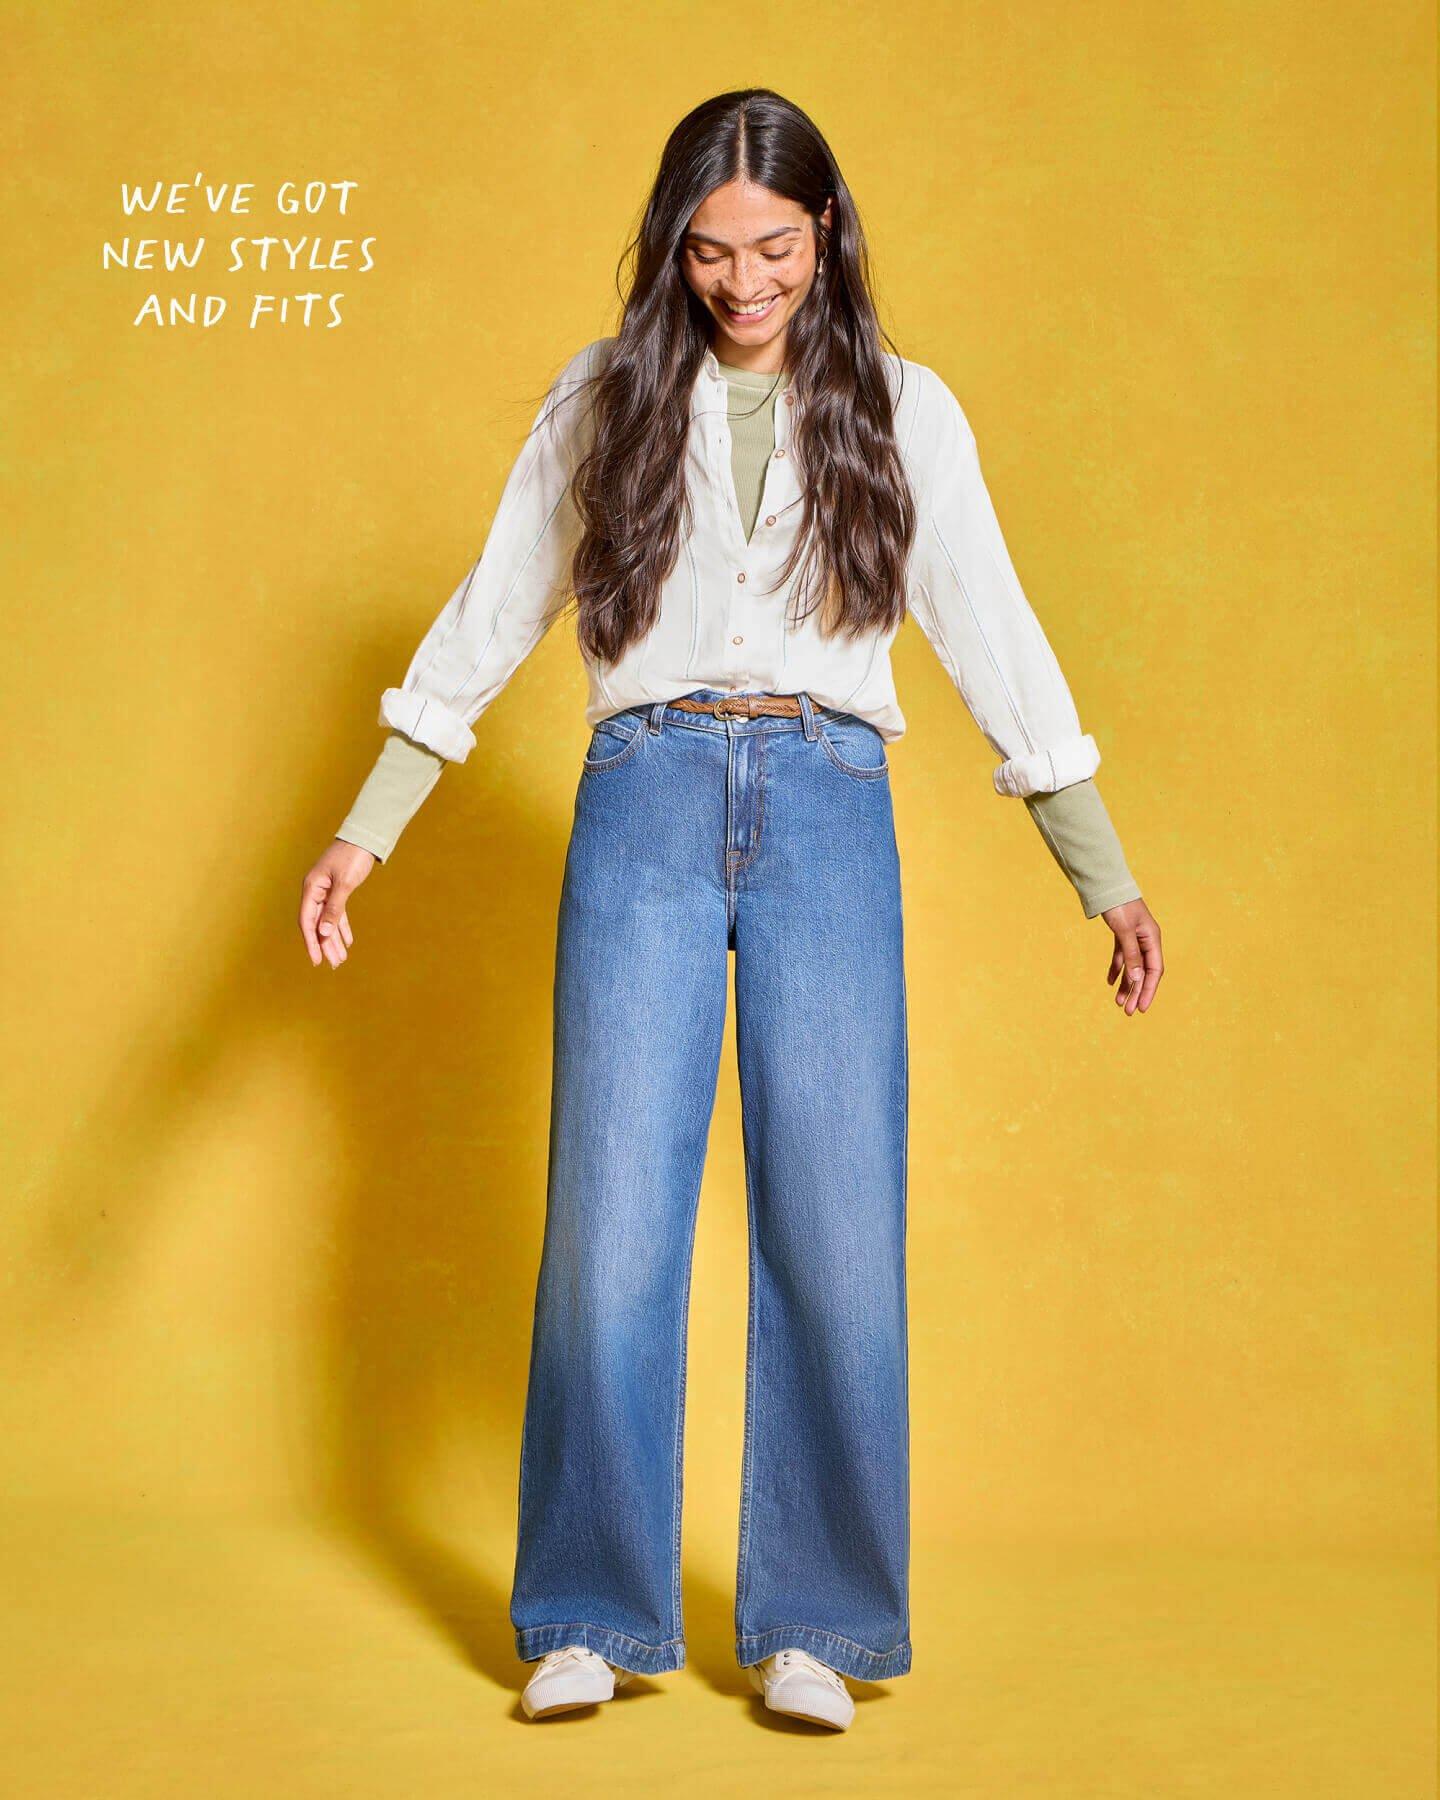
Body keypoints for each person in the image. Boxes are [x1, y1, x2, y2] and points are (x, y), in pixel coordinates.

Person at [297, 87, 1164, 1732]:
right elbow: (493, 613)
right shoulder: (605, 397)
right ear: (671, 249)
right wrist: (368, 830)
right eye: (710, 251)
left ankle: (821, 1627)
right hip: (644, 798)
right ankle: (589, 1611)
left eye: (774, 246)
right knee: (612, 1218)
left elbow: (993, 628)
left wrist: (1098, 869)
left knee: (836, 1221)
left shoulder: (908, 412)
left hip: (831, 805)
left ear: (824, 234)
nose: (744, 280)